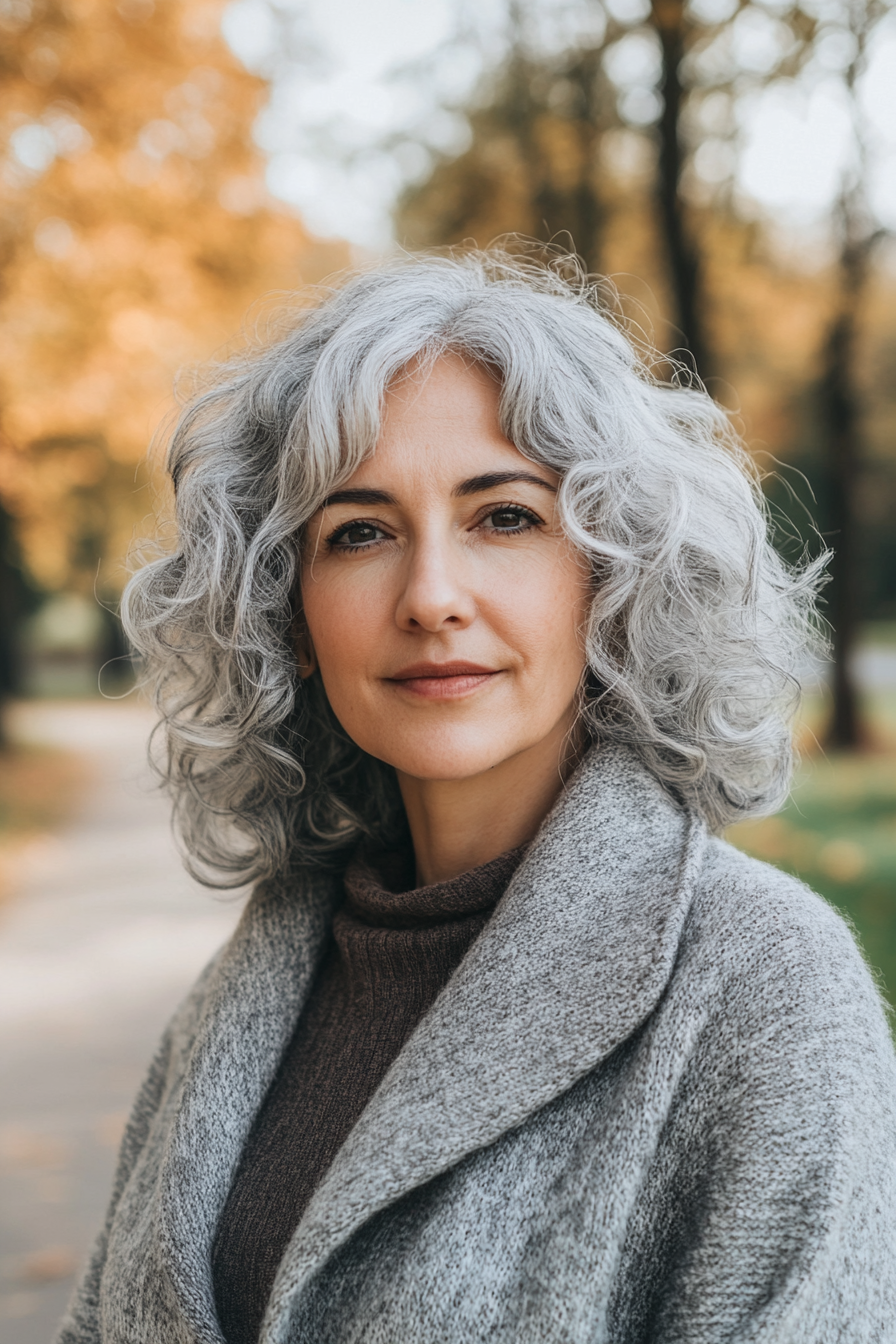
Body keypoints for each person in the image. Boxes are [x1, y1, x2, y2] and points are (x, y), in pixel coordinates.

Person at [58, 250, 896, 1344]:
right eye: (357, 532)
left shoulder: (761, 989)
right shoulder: (249, 990)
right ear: (289, 618)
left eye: (502, 517)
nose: (431, 597)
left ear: (609, 574)